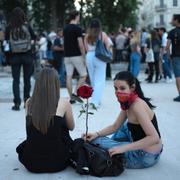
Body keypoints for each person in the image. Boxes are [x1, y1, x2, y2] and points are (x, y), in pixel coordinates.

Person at [83, 71, 163, 169]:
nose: (118, 92)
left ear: (132, 88)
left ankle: (114, 146)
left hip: (144, 156)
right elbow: (115, 126)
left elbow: (154, 137)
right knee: (123, 125)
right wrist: (97, 133)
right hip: (154, 150)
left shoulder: (136, 106)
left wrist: (123, 148)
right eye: (116, 88)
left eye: (122, 88)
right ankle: (114, 144)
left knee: (95, 142)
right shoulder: (129, 101)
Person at [16, 67, 75, 173]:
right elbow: (71, 127)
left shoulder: (29, 102)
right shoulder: (64, 103)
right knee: (60, 126)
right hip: (57, 162)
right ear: (56, 84)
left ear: (38, 84)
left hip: (31, 163)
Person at [5, 7, 36, 110]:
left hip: (14, 57)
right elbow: (34, 38)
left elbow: (5, 43)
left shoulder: (9, 27)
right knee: (27, 80)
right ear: (23, 16)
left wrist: (7, 58)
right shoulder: (27, 26)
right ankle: (27, 101)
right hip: (27, 55)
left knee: (16, 80)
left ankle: (17, 103)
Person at [84, 18, 110, 108]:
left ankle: (96, 99)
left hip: (89, 56)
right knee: (100, 79)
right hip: (100, 56)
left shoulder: (87, 36)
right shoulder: (102, 35)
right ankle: (95, 101)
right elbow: (107, 46)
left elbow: (86, 48)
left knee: (93, 79)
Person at [63, 10, 87, 104]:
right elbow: (80, 44)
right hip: (76, 55)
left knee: (68, 76)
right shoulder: (77, 28)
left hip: (67, 56)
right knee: (84, 75)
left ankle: (71, 97)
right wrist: (84, 56)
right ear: (76, 16)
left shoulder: (65, 28)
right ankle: (75, 94)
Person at [166, 14, 180, 102]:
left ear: (176, 20)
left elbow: (167, 46)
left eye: (172, 19)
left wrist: (168, 56)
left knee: (178, 76)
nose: (171, 21)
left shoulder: (172, 32)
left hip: (176, 56)